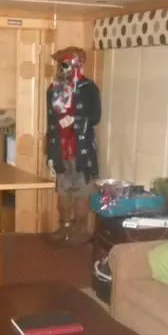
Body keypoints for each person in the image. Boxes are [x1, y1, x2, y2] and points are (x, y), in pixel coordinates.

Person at [45, 47, 101, 245]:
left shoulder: (89, 88)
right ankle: (65, 226)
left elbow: (95, 117)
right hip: (60, 148)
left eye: (65, 63)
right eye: (60, 64)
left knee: (82, 191)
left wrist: (75, 120)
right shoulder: (53, 89)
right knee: (63, 192)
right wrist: (49, 153)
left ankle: (81, 230)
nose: (61, 68)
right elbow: (50, 123)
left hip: (81, 149)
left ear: (77, 64)